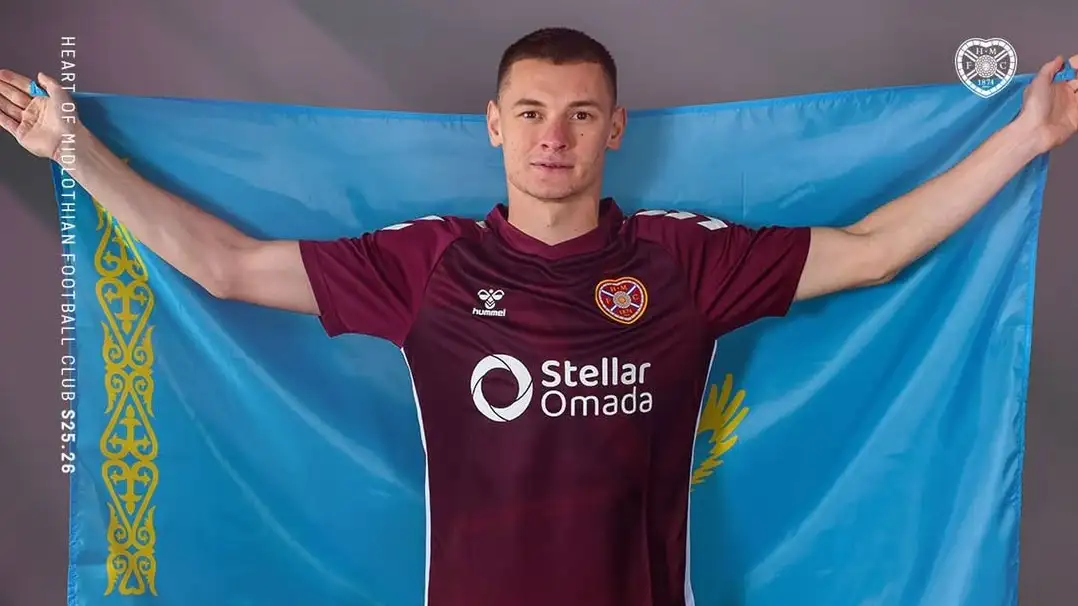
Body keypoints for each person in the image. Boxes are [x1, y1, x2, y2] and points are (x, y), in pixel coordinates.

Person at [1, 26, 1075, 606]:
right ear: (493, 126)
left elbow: (874, 249)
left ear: (615, 129)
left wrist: (1026, 136)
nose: (551, 136)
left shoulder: (683, 261)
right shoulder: (427, 266)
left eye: (576, 114)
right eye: (529, 112)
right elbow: (228, 267)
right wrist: (70, 150)